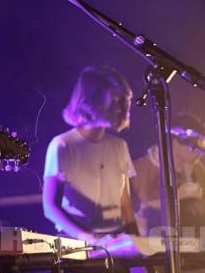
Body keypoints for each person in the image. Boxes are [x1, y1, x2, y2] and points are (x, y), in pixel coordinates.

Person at [42, 66, 139, 244]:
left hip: (115, 242)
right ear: (92, 101)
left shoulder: (119, 146)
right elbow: (50, 206)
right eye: (114, 102)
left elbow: (125, 202)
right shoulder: (63, 145)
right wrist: (87, 238)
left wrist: (137, 242)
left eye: (121, 103)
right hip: (76, 244)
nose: (119, 109)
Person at [131, 112, 205, 237]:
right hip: (153, 242)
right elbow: (131, 212)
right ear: (176, 142)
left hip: (192, 240)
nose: (201, 154)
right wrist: (178, 196)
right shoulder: (140, 168)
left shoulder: (198, 169)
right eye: (197, 148)